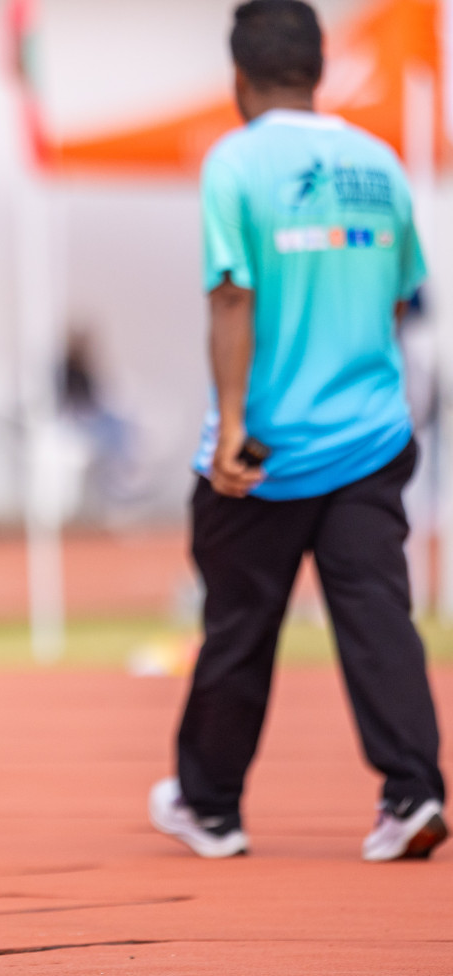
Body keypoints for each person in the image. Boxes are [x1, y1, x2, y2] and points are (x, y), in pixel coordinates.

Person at [150, 0, 446, 863]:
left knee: (241, 622)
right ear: (319, 69)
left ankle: (211, 808)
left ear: (238, 77)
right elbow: (399, 293)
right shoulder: (380, 162)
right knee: (378, 614)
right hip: (371, 435)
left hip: (268, 448)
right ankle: (414, 791)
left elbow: (233, 292)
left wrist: (236, 421)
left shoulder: (234, 162)